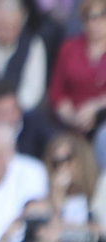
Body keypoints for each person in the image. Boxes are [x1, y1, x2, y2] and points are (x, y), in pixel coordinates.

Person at [48, 0, 106, 166]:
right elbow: (56, 90)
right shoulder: (69, 48)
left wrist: (96, 106)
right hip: (71, 118)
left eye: (101, 16)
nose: (94, 23)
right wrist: (70, 115)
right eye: (89, 17)